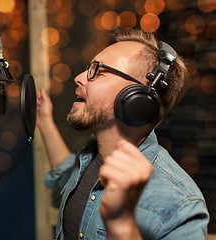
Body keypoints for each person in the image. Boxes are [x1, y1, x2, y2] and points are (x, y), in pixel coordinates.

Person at [36, 29, 209, 240]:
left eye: (97, 71)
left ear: (137, 99)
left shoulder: (181, 206)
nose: (79, 78)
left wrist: (122, 224)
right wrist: (44, 121)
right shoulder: (92, 156)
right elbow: (66, 175)